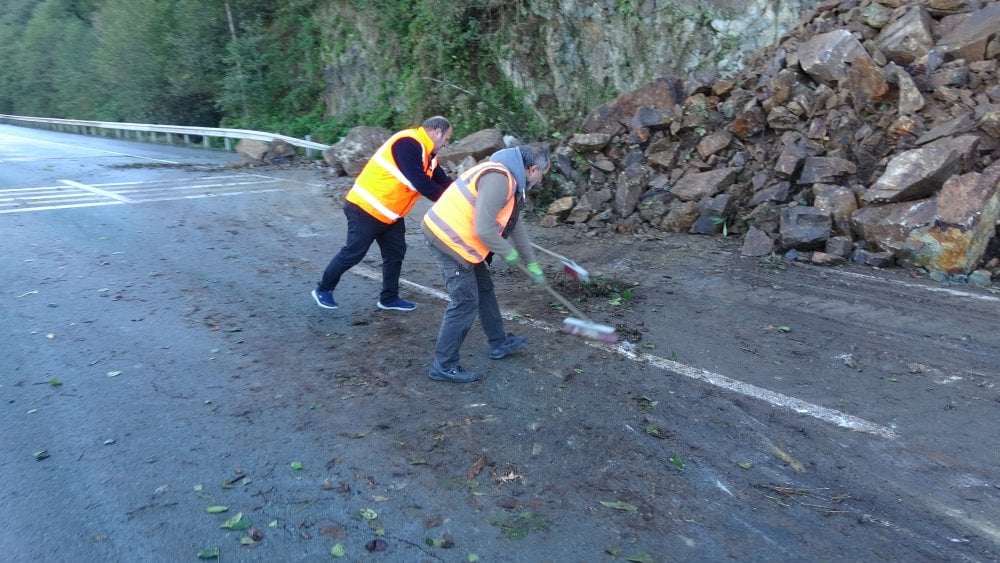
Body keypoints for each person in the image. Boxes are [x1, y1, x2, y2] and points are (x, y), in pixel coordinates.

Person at [421, 142, 551, 383]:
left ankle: (499, 342)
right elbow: (484, 229)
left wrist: (531, 263)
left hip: (462, 241)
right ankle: (444, 365)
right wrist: (509, 255)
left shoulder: (511, 180)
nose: (541, 180)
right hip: (447, 239)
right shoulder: (499, 179)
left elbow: (515, 225)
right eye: (542, 174)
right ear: (532, 169)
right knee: (465, 302)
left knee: (485, 290)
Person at [312, 116, 453, 311]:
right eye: (446, 139)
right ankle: (324, 289)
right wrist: (453, 203)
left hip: (391, 214)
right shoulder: (408, 143)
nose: (446, 144)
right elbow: (420, 183)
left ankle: (389, 298)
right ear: (437, 132)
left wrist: (463, 193)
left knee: (395, 254)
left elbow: (443, 181)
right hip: (365, 209)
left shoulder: (428, 155)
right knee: (353, 253)